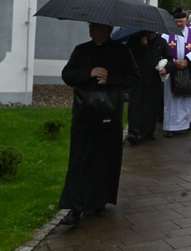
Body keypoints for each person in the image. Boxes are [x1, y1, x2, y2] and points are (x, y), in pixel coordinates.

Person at [59, 22, 140, 226]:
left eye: (97, 26)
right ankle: (75, 208)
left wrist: (110, 79)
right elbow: (67, 75)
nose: (92, 28)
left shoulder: (122, 51)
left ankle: (99, 201)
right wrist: (89, 72)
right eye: (91, 25)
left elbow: (134, 78)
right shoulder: (81, 50)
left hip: (109, 114)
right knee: (80, 159)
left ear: (108, 29)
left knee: (106, 159)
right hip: (84, 113)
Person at [162, 9, 191, 137]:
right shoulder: (166, 34)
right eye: (176, 21)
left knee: (188, 97)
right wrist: (173, 62)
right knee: (171, 99)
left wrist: (187, 61)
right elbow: (163, 51)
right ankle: (170, 126)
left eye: (181, 21)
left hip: (188, 70)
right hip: (172, 70)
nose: (179, 24)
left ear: (186, 21)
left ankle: (188, 122)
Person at [125, 31, 173, 144]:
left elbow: (169, 58)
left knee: (151, 107)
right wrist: (141, 46)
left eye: (152, 32)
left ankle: (148, 131)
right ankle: (133, 132)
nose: (150, 34)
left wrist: (166, 68)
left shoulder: (161, 42)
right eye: (148, 32)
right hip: (137, 78)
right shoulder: (135, 39)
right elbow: (127, 56)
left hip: (154, 79)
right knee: (135, 106)